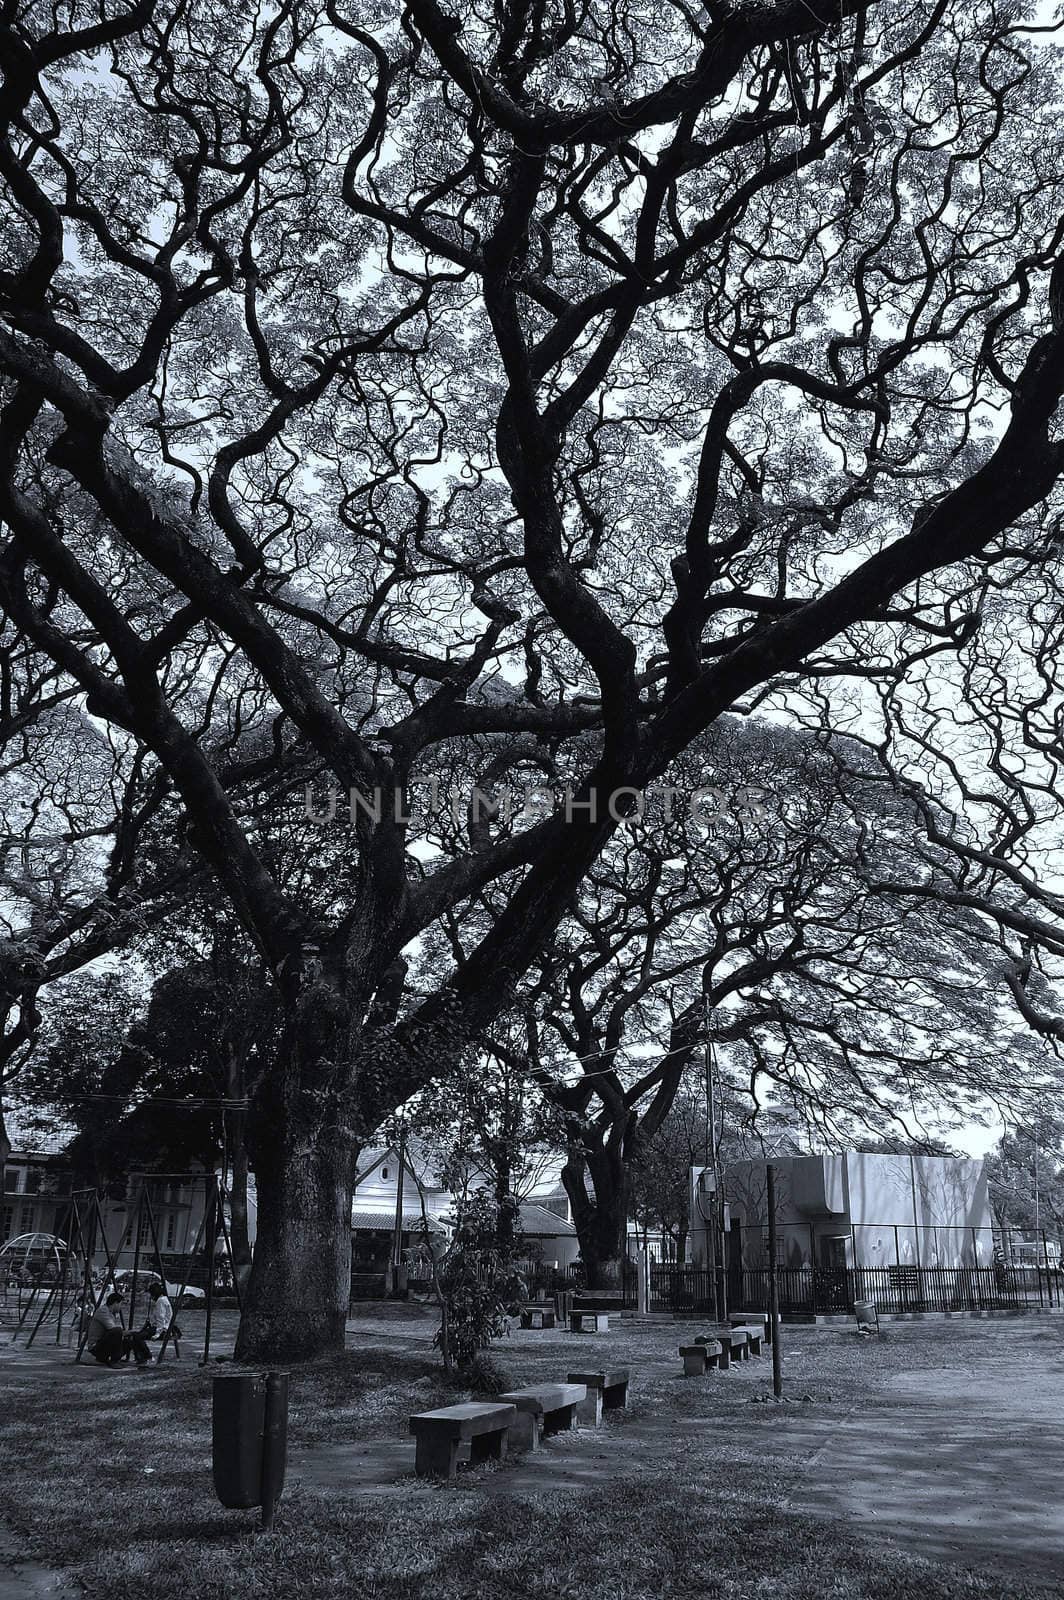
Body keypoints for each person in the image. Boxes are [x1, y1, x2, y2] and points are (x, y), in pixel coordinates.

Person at [85, 1292, 151, 1367]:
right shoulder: (103, 1311)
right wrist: (131, 1332)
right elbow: (114, 1331)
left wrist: (132, 1333)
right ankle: (114, 1361)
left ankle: (143, 1357)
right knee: (118, 1331)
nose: (121, 1307)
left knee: (131, 1337)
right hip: (96, 1347)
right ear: (115, 1303)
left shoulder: (110, 1313)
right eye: (120, 1304)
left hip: (103, 1344)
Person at [142, 1281, 174, 1359]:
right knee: (137, 1335)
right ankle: (142, 1356)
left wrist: (157, 1334)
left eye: (151, 1294)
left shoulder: (160, 1301)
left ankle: (147, 1356)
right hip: (165, 1327)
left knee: (137, 1336)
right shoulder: (164, 1299)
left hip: (161, 1329)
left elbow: (161, 1318)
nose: (151, 1297)